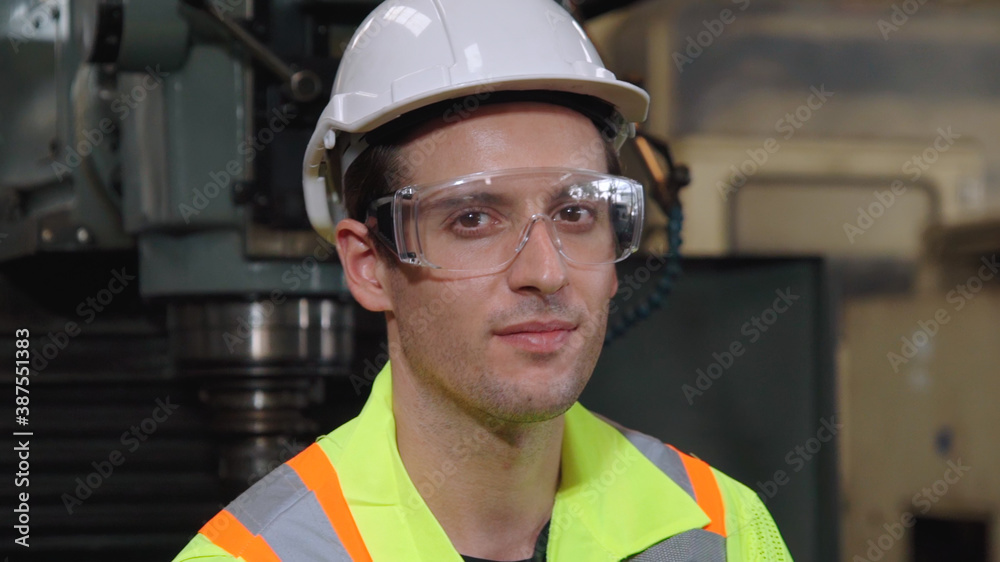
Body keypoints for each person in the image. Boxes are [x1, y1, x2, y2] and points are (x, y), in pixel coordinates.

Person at [172, 0, 792, 560]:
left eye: (576, 213)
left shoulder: (720, 532)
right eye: (473, 219)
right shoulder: (259, 556)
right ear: (369, 267)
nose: (545, 271)